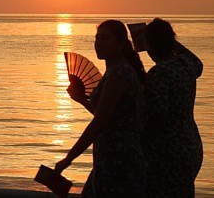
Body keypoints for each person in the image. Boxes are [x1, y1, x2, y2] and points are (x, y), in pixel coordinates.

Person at [54, 20, 147, 197]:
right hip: (110, 157)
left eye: (106, 38)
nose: (99, 43)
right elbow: (109, 117)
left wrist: (69, 158)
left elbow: (100, 122)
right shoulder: (114, 71)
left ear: (120, 44)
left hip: (120, 158)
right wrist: (82, 100)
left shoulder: (119, 73)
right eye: (97, 38)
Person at [142, 18, 204, 197]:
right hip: (190, 144)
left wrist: (141, 145)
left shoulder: (158, 73)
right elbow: (196, 61)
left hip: (167, 150)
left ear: (149, 45)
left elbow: (157, 117)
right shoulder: (187, 65)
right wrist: (170, 39)